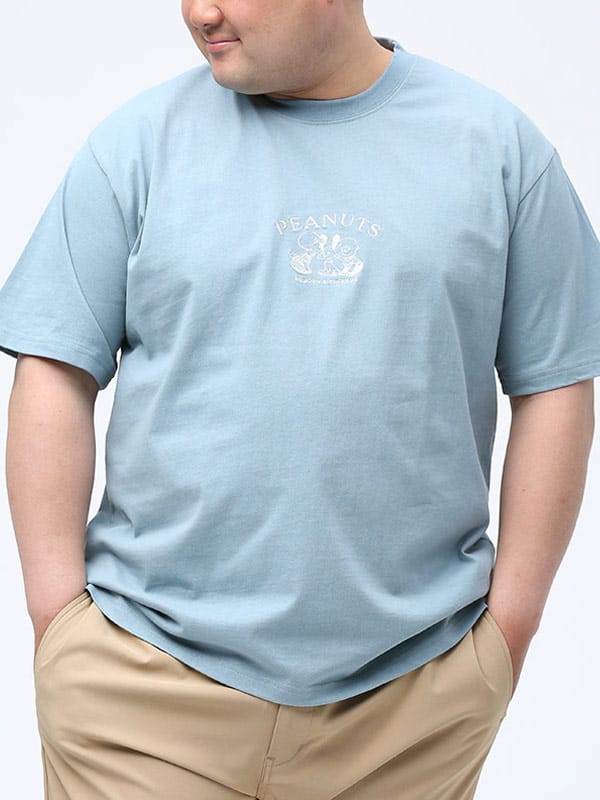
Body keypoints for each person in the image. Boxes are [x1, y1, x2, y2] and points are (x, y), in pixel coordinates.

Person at [0, 1, 599, 798]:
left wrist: (506, 636)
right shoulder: (136, 145)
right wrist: (58, 624)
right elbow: (54, 365)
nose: (200, 11)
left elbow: (555, 379)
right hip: (138, 690)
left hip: (410, 709)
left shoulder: (498, 150)